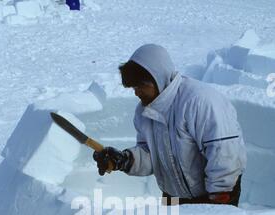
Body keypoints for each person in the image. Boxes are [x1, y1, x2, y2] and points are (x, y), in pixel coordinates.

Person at [93, 44, 246, 206]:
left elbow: (224, 152)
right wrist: (124, 160)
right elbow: (151, 155)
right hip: (173, 196)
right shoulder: (144, 112)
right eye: (133, 88)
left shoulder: (200, 101)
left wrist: (218, 198)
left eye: (141, 86)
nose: (136, 93)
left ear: (158, 78)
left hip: (216, 194)